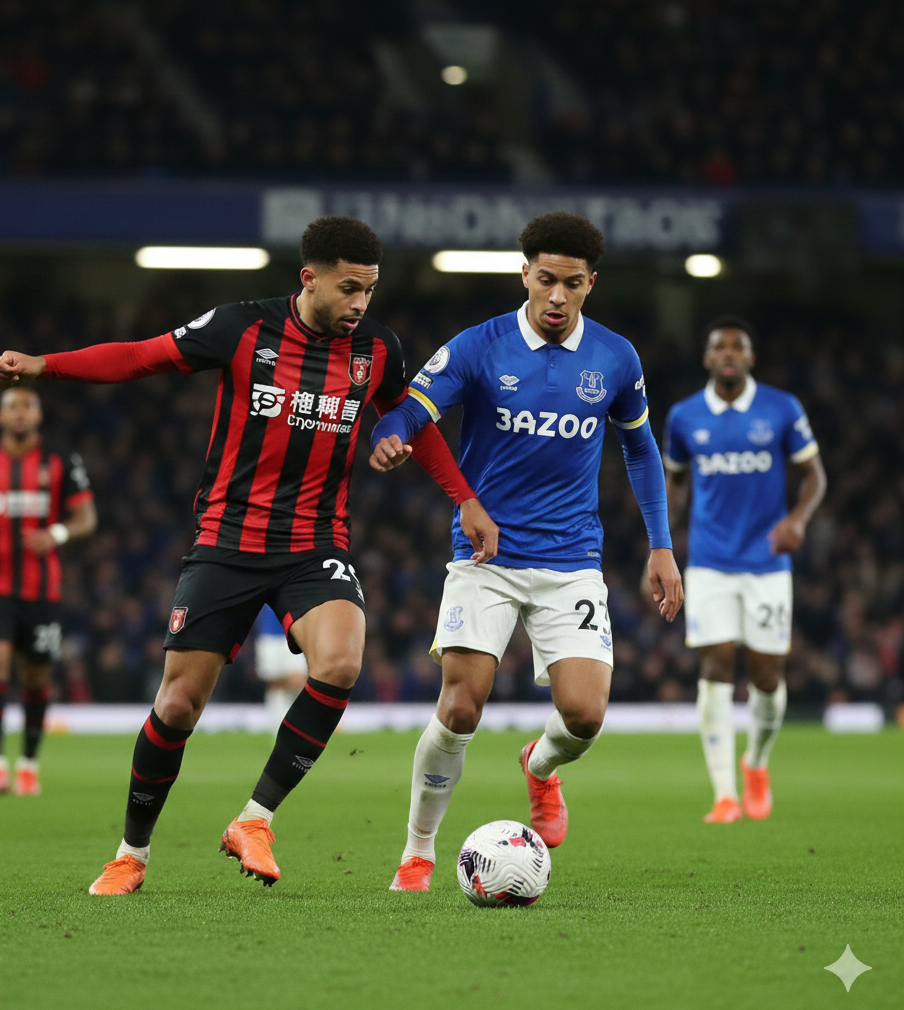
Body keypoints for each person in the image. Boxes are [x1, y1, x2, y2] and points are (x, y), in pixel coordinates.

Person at [0, 215, 497, 894]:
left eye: (369, 292)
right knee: (176, 707)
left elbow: (411, 417)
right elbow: (141, 355)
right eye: (349, 288)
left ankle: (254, 819)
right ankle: (131, 854)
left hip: (316, 541)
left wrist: (462, 497)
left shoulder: (378, 349)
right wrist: (46, 366)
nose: (359, 305)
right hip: (227, 541)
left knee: (343, 661)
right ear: (308, 277)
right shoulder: (241, 329)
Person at [369, 211, 683, 891]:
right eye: (546, 280)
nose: (558, 297)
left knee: (586, 715)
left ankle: (538, 768)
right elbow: (411, 408)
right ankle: (418, 851)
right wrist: (391, 435)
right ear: (525, 275)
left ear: (591, 283)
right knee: (460, 706)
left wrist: (661, 545)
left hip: (571, 557)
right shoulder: (480, 347)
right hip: (486, 556)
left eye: (573, 283)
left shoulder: (615, 358)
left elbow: (638, 446)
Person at [662, 316, 825, 823]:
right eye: (720, 347)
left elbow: (814, 477)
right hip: (710, 561)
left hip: (767, 563)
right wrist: (662, 539)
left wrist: (798, 520)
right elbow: (675, 483)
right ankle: (725, 795)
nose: (729, 353)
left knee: (767, 676)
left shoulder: (781, 408)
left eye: (738, 347)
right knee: (714, 666)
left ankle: (755, 762)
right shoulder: (685, 417)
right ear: (707, 358)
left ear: (750, 358)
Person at [0, 387, 97, 796]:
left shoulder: (61, 462)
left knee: (36, 677)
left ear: (38, 416)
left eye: (27, 406)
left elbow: (87, 516)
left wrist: (56, 532)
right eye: (12, 407)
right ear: (0, 418)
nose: (19, 413)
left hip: (41, 589)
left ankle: (29, 765)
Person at [254, 606, 308, 726]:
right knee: (275, 682)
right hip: (268, 635)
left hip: (294, 632)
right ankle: (280, 723)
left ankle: (307, 720)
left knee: (298, 680)